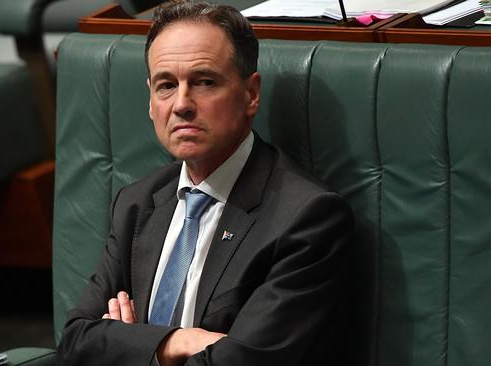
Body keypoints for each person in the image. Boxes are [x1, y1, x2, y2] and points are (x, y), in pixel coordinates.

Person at [58, 1, 353, 365]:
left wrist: (130, 344)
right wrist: (178, 342)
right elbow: (75, 340)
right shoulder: (136, 203)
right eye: (166, 85)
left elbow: (241, 360)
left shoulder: (307, 217)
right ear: (151, 101)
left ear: (251, 94)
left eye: (205, 82)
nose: (181, 104)